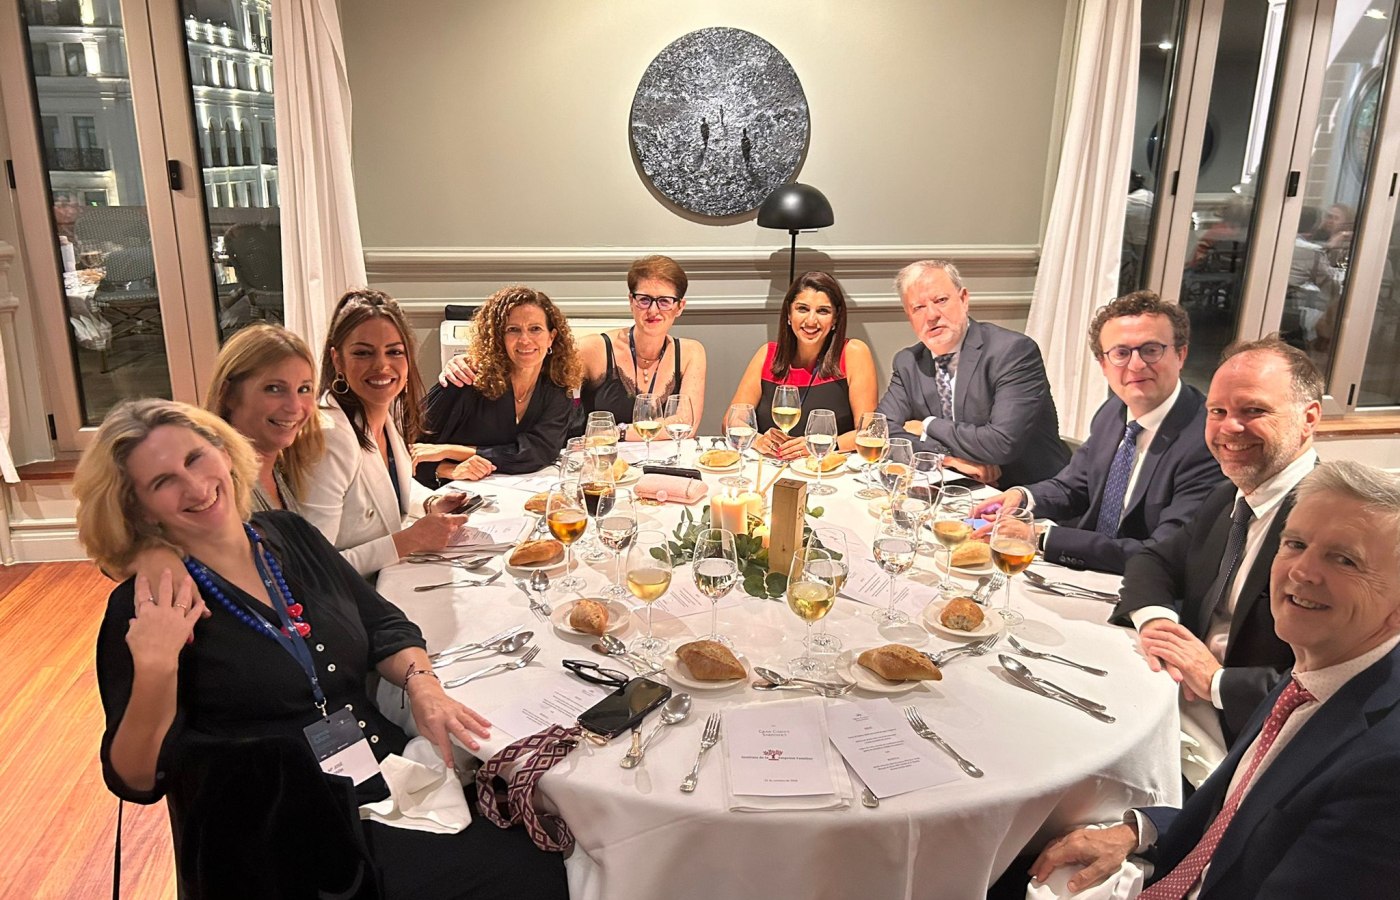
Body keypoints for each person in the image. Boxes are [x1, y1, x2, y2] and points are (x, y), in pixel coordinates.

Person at [78, 399, 567, 899]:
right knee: (533, 878)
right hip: (281, 837)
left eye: (195, 458)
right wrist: (156, 668)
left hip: (382, 777)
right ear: (137, 508)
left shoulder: (289, 536)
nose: (196, 487)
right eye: (163, 482)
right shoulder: (149, 604)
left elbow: (383, 623)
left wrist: (423, 685)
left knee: (552, 838)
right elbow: (136, 779)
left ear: (224, 452)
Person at [1029, 461, 1400, 899]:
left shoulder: (1385, 770)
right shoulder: (1319, 668)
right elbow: (1238, 811)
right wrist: (1139, 831)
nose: (1301, 571)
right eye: (1295, 543)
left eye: (1344, 559)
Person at [1112, 337, 1322, 787]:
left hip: (1252, 748)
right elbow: (1154, 560)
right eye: (1218, 411)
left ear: (1309, 419)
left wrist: (1217, 682)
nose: (1230, 428)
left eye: (1253, 410)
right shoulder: (1228, 496)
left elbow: (1332, 685)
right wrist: (1157, 624)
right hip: (1175, 698)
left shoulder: (1335, 527)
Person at [973, 292, 1224, 574]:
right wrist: (1022, 497)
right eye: (1121, 353)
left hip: (1145, 585)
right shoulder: (1113, 411)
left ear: (1181, 355)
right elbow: (1074, 486)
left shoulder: (1207, 440)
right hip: (1086, 572)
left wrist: (1042, 537)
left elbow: (1164, 552)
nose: (1136, 365)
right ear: (1103, 365)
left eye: (1151, 350)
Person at [441, 254, 707, 440]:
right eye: (644, 299)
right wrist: (469, 361)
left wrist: (617, 432)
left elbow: (686, 424)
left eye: (665, 301)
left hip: (665, 463)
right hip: (602, 465)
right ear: (631, 301)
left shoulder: (691, 353)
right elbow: (530, 369)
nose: (653, 310)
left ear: (679, 307)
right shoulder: (593, 349)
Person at [303, 290, 469, 577]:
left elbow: (387, 489)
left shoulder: (386, 412)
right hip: (356, 596)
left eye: (394, 352)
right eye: (363, 353)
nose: (381, 366)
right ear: (337, 360)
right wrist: (409, 540)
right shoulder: (329, 437)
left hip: (389, 578)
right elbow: (316, 569)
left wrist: (431, 503)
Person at [876, 259, 1069, 485]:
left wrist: (928, 426)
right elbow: (881, 432)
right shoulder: (908, 362)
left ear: (964, 299)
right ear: (909, 316)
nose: (931, 315)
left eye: (941, 300)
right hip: (952, 487)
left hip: (1028, 492)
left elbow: (1000, 443)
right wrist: (947, 459)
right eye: (918, 308)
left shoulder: (1012, 352)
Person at [413, 285, 583, 484]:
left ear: (551, 337)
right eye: (513, 330)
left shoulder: (556, 387)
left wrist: (452, 451)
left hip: (512, 491)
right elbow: (402, 453)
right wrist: (449, 470)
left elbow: (537, 452)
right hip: (448, 494)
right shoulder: (466, 379)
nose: (525, 339)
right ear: (498, 338)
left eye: (535, 329)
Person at [726, 271, 878, 458]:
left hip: (826, 470)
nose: (811, 321)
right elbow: (732, 421)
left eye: (823, 311)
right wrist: (757, 439)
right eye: (803, 309)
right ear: (789, 314)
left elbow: (869, 432)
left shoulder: (853, 353)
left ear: (835, 318)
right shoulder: (767, 354)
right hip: (771, 466)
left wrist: (820, 446)